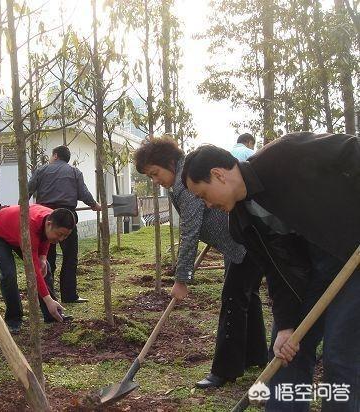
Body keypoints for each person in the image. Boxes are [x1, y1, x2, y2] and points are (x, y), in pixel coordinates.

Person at [182, 133, 360, 411]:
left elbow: (351, 148)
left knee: (340, 357)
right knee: (285, 356)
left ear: (218, 175)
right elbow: (277, 271)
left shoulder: (284, 155)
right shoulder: (240, 223)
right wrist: (286, 326)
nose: (206, 205)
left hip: (353, 257)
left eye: (203, 195)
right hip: (311, 273)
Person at [134, 137, 267, 389]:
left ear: (170, 163)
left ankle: (224, 371)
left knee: (233, 299)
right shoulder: (183, 178)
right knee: (247, 296)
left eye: (155, 173)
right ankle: (256, 355)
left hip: (245, 243)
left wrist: (181, 279)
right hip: (237, 244)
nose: (155, 181)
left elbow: (189, 231)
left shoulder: (188, 180)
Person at [0, 204, 75, 334]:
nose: (61, 239)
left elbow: (45, 237)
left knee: (45, 267)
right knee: (9, 274)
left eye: (65, 236)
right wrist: (48, 299)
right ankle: (13, 319)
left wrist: (43, 258)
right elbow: (32, 269)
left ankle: (52, 315)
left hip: (17, 232)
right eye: (60, 234)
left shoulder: (52, 217)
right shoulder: (30, 226)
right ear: (49, 224)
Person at [28, 145, 101, 303]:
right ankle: (69, 295)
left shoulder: (41, 170)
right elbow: (84, 194)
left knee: (46, 258)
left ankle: (48, 295)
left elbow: (27, 190)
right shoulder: (75, 172)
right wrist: (94, 205)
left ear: (55, 155)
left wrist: (23, 209)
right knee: (70, 257)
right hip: (68, 218)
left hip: (46, 218)